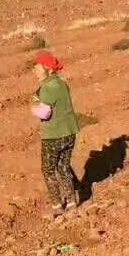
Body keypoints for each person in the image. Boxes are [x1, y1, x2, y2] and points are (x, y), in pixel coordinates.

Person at [32, 51, 80, 217]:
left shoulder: (46, 88)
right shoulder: (61, 83)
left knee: (48, 170)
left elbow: (45, 113)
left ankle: (57, 205)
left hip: (53, 135)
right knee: (64, 166)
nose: (35, 71)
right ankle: (72, 201)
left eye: (38, 68)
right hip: (70, 132)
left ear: (48, 69)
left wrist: (34, 108)